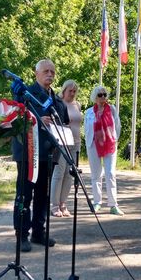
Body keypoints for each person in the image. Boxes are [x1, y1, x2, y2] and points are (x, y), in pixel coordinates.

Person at [11, 59, 69, 252]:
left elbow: (64, 123)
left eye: (52, 71)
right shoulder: (24, 94)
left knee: (43, 196)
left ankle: (38, 231)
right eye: (46, 71)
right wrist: (36, 120)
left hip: (49, 154)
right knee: (25, 195)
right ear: (36, 73)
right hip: (28, 154)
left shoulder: (57, 100)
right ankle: (22, 234)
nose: (50, 75)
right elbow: (14, 119)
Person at [85, 86, 123, 215]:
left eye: (104, 94)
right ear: (95, 97)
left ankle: (113, 204)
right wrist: (88, 143)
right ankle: (97, 202)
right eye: (100, 95)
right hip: (93, 144)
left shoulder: (112, 109)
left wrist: (113, 139)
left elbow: (117, 125)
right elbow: (87, 129)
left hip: (109, 144)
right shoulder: (89, 112)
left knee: (110, 173)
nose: (103, 97)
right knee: (96, 174)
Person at [50, 80, 83, 217]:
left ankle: (63, 203)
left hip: (75, 142)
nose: (72, 93)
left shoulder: (77, 105)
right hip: (62, 142)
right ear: (64, 91)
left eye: (75, 91)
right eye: (70, 91)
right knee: (59, 173)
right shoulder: (58, 103)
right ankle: (54, 205)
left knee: (70, 174)